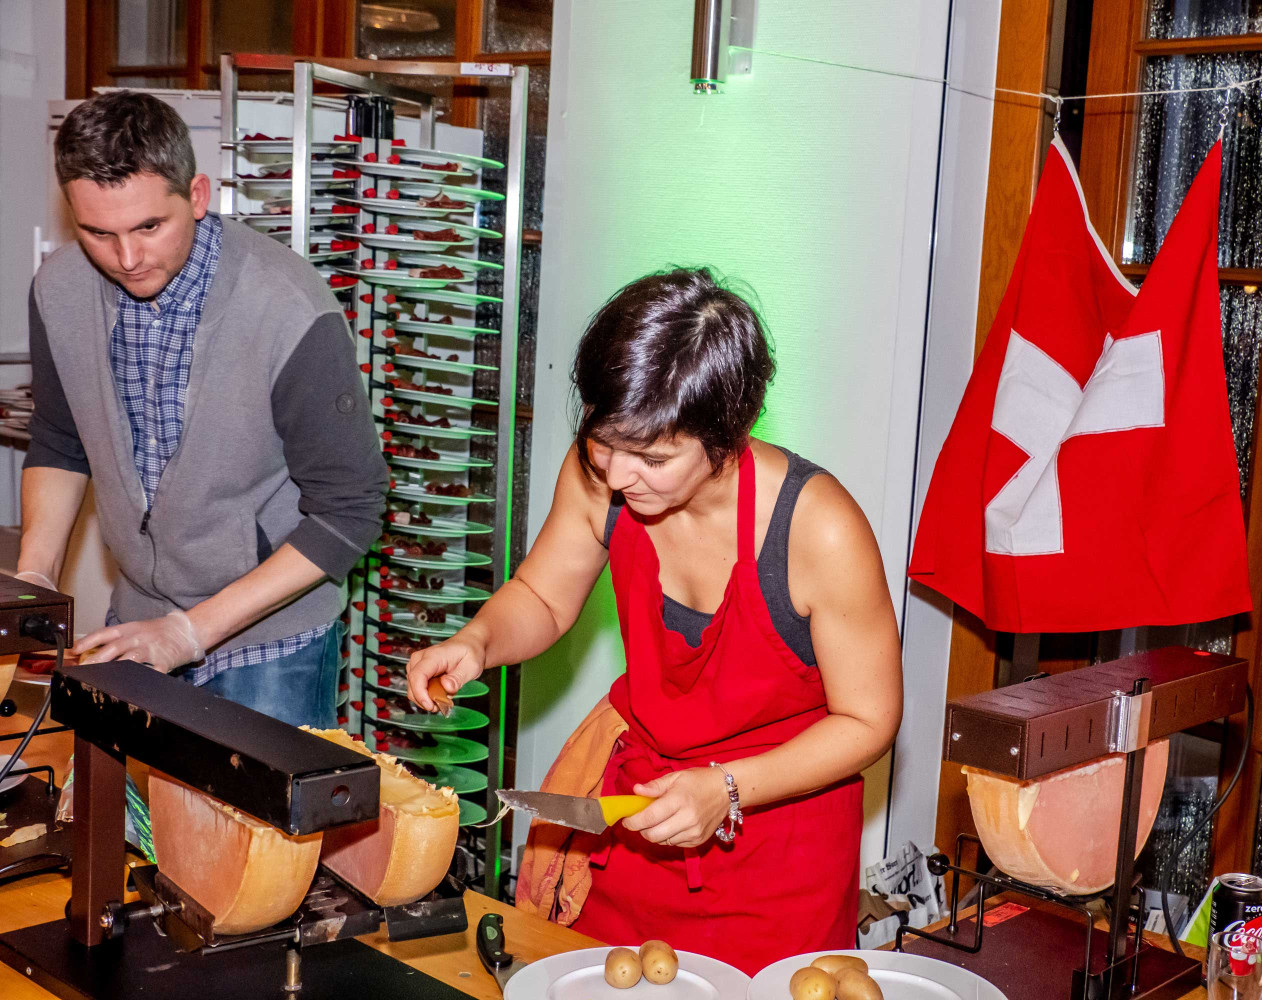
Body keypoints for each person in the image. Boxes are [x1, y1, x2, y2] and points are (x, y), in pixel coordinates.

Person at [407, 268, 903, 972]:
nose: (616, 475)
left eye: (652, 457)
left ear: (727, 435)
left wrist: (727, 788)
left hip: (774, 849)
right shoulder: (605, 473)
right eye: (604, 442)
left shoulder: (818, 529)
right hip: (634, 821)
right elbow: (543, 596)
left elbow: (869, 720)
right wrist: (478, 641)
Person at [19, 91, 386, 727]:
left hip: (271, 641)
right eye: (98, 233)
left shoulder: (287, 305)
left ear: (196, 195)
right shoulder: (59, 290)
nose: (127, 259)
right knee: (124, 795)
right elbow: (59, 438)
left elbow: (351, 510)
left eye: (148, 227)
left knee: (254, 799)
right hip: (137, 620)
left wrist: (189, 632)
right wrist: (35, 579)